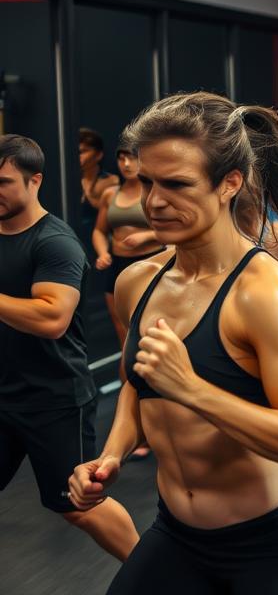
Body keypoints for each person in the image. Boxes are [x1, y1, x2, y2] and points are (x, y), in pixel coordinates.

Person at [66, 93, 278, 594]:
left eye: (176, 184)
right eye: (147, 182)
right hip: (177, 534)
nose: (154, 201)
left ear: (229, 184)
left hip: (275, 542)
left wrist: (192, 389)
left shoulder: (265, 295)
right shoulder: (138, 283)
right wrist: (112, 455)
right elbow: (139, 382)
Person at [0, 135, 139, 562]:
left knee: (78, 505)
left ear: (34, 180)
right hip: (4, 394)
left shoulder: (54, 242)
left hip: (54, 398)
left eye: (3, 182)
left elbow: (51, 318)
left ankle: (158, 575)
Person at [92, 135, 165, 344]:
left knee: (148, 328)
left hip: (149, 263)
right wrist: (103, 253)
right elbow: (99, 230)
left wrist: (147, 235)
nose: (126, 164)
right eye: (121, 158)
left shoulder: (154, 191)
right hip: (117, 264)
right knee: (121, 330)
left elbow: (176, 229)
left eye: (132, 158)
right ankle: (127, 374)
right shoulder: (110, 194)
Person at [77, 128, 119, 259]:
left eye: (83, 151)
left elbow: (106, 216)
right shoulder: (66, 180)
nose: (79, 156)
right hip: (74, 240)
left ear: (98, 155)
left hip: (99, 246)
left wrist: (88, 191)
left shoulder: (109, 181)